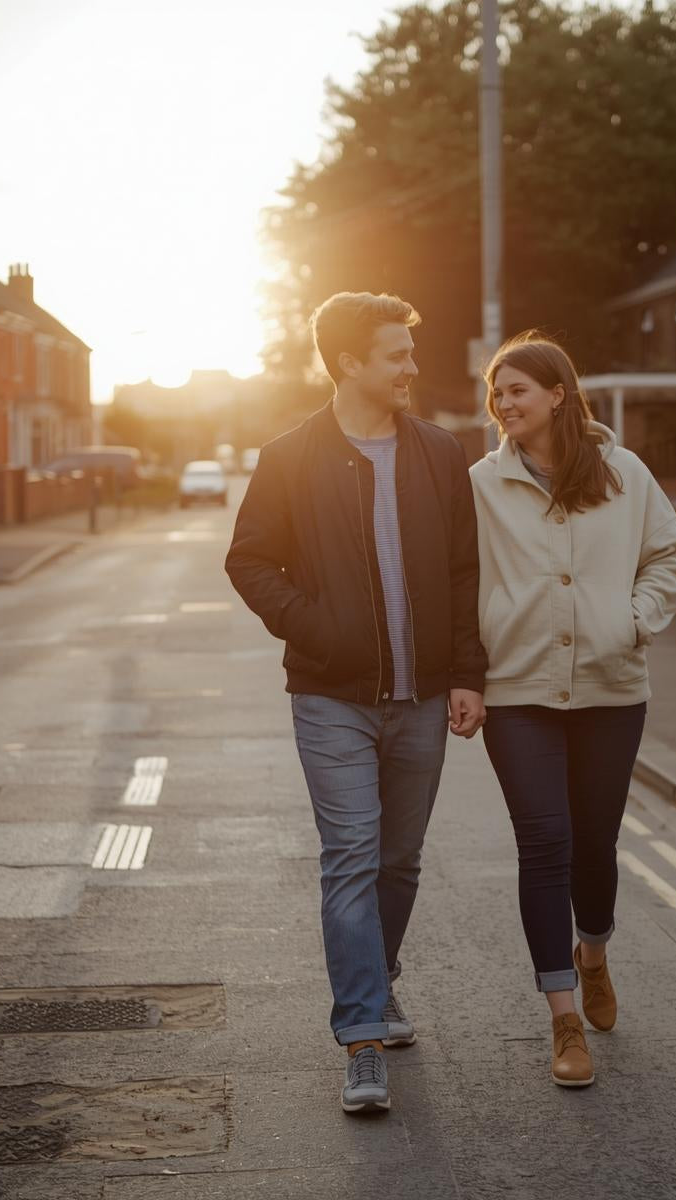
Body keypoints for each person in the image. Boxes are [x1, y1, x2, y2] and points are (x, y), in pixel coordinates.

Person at [226, 292, 487, 1114]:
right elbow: (250, 561)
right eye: (396, 354)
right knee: (349, 860)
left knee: (397, 863)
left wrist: (468, 673)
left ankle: (379, 981)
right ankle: (363, 1038)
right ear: (348, 363)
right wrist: (319, 631)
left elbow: (462, 573)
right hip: (332, 696)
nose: (412, 366)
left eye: (409, 353)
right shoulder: (290, 455)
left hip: (421, 699)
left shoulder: (441, 454)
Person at [469, 333, 676, 1089]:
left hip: (609, 686)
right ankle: (563, 1018)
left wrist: (632, 619)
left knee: (595, 845)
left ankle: (592, 952)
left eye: (517, 390)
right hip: (519, 689)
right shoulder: (481, 484)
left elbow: (669, 555)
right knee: (545, 842)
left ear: (558, 392)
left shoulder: (624, 473)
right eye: (497, 394)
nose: (503, 404)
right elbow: (459, 577)